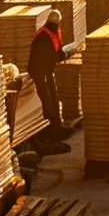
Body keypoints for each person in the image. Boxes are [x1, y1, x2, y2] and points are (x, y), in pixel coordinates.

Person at [26, 9, 72, 155]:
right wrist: (64, 56)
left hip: (46, 69)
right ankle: (52, 128)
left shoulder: (51, 32)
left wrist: (64, 54)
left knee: (53, 95)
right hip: (39, 70)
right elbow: (52, 56)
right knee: (47, 98)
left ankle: (56, 124)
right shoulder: (44, 36)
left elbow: (57, 51)